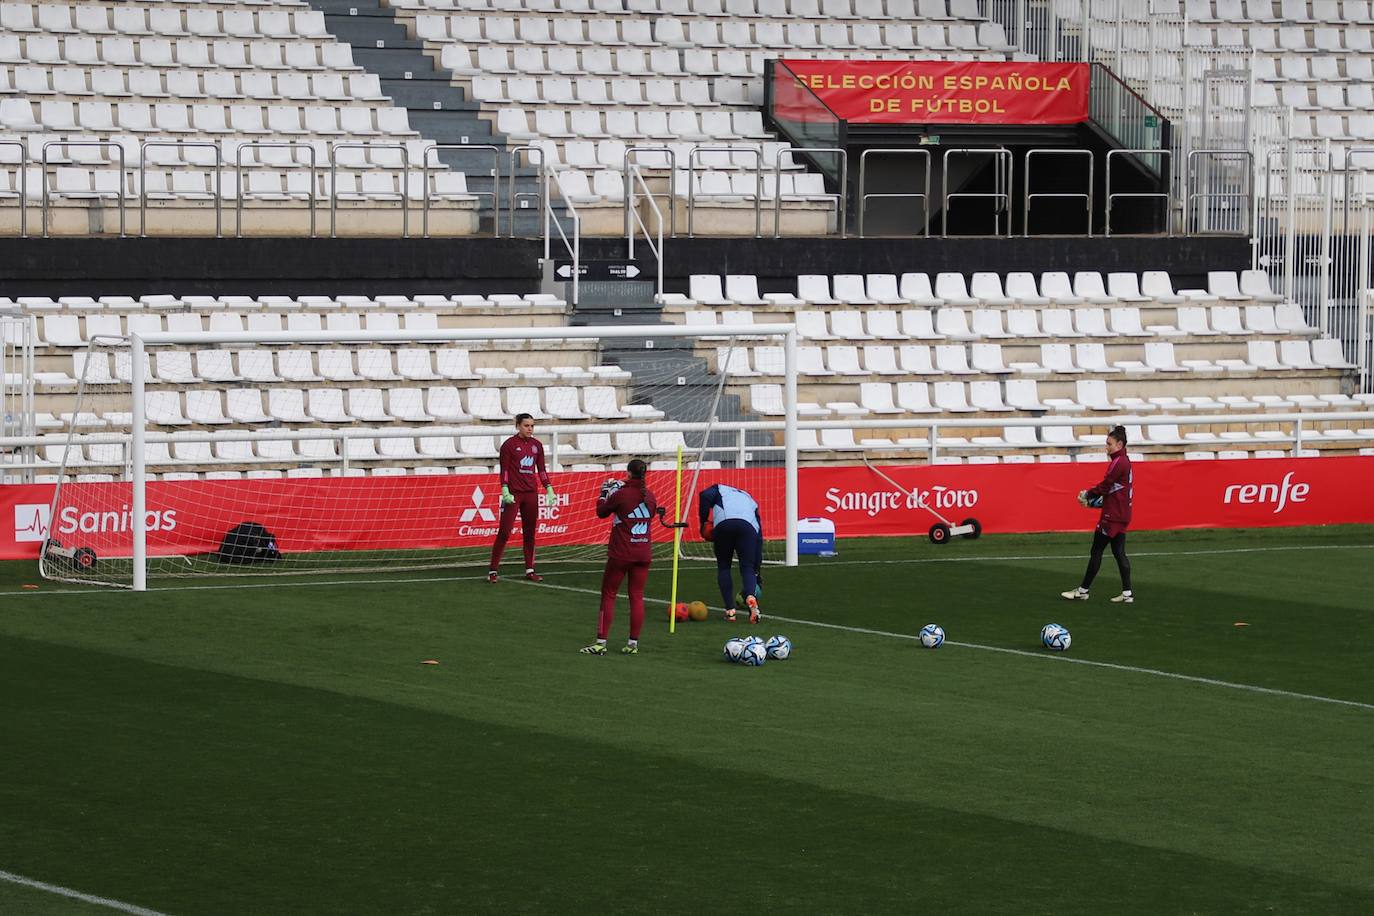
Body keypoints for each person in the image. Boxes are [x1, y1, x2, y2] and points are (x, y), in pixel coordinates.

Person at [581, 458, 658, 656]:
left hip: (622, 553)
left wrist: (604, 494)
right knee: (637, 596)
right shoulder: (649, 496)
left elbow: (601, 512)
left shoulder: (622, 495)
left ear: (628, 473)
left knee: (609, 594)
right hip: (643, 552)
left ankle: (600, 643)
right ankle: (632, 644)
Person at [1062, 425, 1134, 604]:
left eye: (1109, 444)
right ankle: (1127, 594)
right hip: (1122, 513)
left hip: (1112, 516)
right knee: (1119, 552)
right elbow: (1116, 490)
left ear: (1119, 444)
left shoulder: (1119, 463)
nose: (1106, 447)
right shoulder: (1125, 461)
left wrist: (1089, 495)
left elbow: (1106, 485)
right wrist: (1098, 502)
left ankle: (1083, 591)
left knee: (1097, 551)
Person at [488, 413, 555, 583]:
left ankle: (530, 570)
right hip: (513, 494)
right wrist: (504, 488)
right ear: (518, 425)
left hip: (531, 494)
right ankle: (493, 570)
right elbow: (504, 470)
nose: (530, 429)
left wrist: (549, 488)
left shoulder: (537, 446)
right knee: (504, 532)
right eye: (526, 425)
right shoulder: (509, 445)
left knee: (530, 533)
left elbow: (541, 470)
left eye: (532, 426)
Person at [698, 482, 763, 624]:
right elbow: (759, 539)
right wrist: (757, 572)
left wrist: (703, 522)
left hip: (724, 524)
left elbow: (704, 495)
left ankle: (730, 612)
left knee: (724, 566)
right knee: (747, 567)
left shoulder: (719, 489)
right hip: (748, 528)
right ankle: (751, 596)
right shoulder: (750, 499)